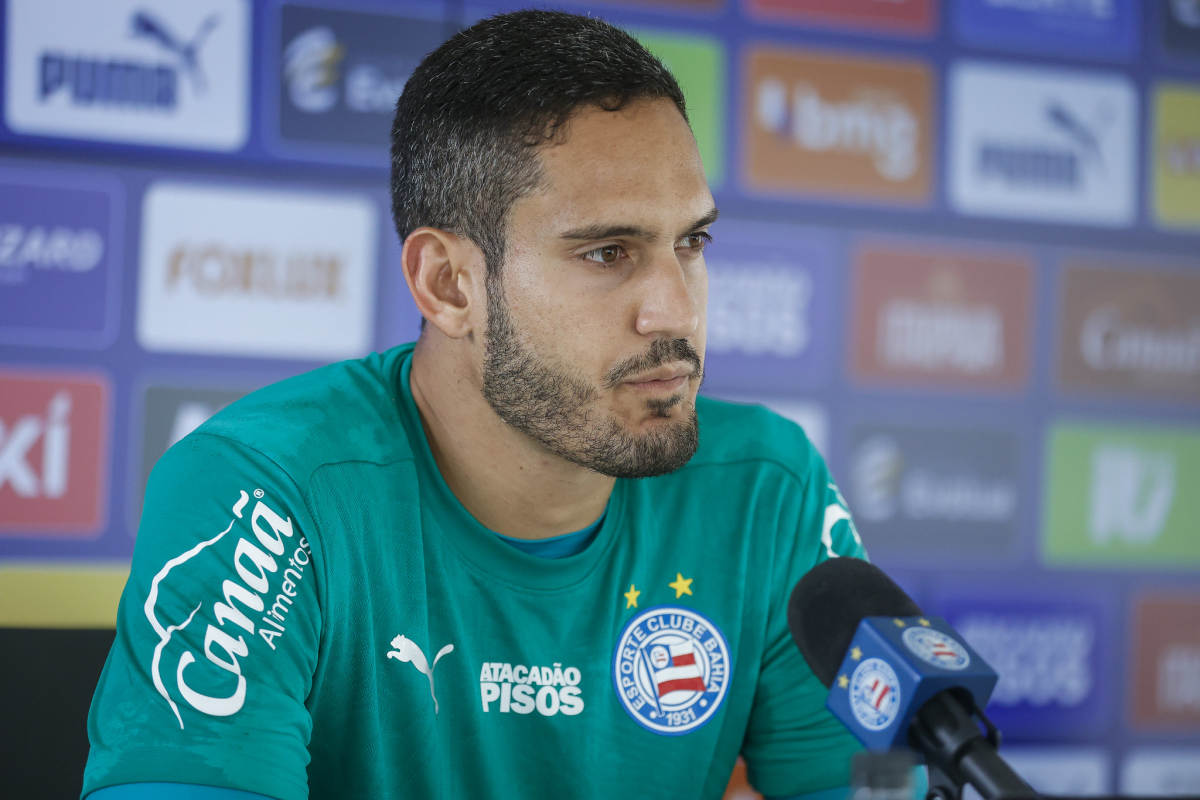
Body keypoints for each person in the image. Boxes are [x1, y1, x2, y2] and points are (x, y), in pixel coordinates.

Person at [81, 10, 870, 800]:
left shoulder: (771, 489)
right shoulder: (267, 491)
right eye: (606, 253)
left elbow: (871, 784)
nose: (674, 310)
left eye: (690, 244)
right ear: (448, 284)